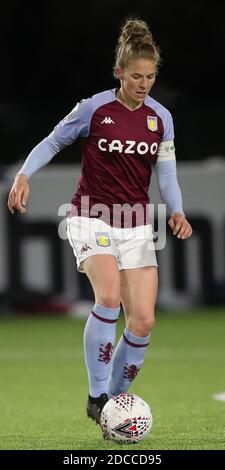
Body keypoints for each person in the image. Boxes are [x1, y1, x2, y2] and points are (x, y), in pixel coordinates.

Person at [7, 18, 192, 425]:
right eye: (136, 76)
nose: (144, 84)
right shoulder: (94, 108)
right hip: (91, 216)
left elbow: (167, 175)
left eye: (151, 76)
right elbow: (55, 139)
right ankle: (96, 396)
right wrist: (23, 174)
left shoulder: (161, 118)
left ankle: (113, 406)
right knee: (108, 296)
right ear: (119, 73)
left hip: (137, 225)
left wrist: (176, 210)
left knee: (143, 321)